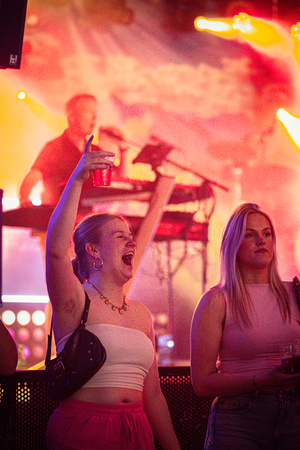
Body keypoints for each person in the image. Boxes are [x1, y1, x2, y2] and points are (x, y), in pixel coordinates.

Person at [45, 135, 181, 450]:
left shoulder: (141, 313)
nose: (131, 242)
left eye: (130, 236)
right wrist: (78, 179)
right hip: (85, 427)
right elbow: (55, 251)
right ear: (93, 250)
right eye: (120, 236)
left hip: (137, 427)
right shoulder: (76, 301)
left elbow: (154, 395)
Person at [190, 202, 300, 450]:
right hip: (239, 418)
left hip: (295, 416)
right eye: (250, 235)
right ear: (233, 245)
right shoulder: (216, 300)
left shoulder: (295, 291)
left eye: (266, 233)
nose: (261, 240)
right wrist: (260, 381)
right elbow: (202, 383)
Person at [18, 93, 98, 207]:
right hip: (60, 217)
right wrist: (24, 199)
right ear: (72, 116)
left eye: (95, 112)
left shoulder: (94, 150)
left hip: (89, 219)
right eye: (88, 111)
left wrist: (123, 151)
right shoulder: (55, 148)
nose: (94, 117)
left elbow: (118, 182)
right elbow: (33, 176)